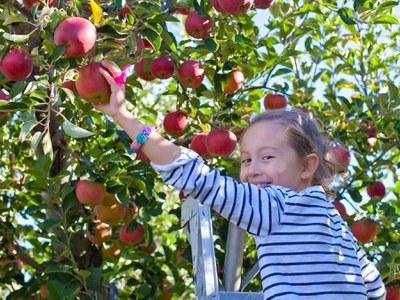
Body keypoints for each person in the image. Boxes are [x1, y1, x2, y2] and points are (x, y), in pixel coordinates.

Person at [95, 61, 386, 300]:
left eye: (267, 158)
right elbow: (376, 289)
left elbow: (193, 175)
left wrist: (123, 116)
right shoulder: (331, 220)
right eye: (246, 160)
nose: (251, 170)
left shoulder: (274, 203)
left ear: (307, 166)